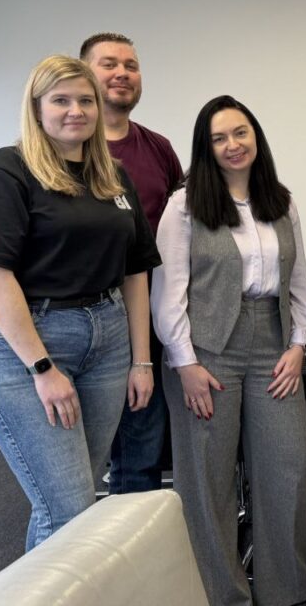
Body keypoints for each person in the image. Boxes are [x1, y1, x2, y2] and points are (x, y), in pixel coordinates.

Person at [0, 55, 159, 550]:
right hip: (30, 343)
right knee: (68, 508)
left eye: (86, 100)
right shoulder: (6, 171)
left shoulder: (112, 176)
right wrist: (42, 367)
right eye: (61, 100)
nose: (76, 110)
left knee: (69, 502)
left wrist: (141, 361)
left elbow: (136, 270)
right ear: (36, 107)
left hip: (108, 338)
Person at [152, 95, 306, 606]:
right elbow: (168, 293)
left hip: (273, 343)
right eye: (219, 138)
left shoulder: (281, 201)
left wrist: (299, 344)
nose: (232, 144)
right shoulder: (184, 206)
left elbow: (297, 281)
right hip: (206, 350)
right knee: (207, 478)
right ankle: (221, 594)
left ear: (256, 137)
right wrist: (184, 363)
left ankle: (288, 586)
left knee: (290, 463)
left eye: (240, 132)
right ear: (205, 148)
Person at [81, 31, 183, 494]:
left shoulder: (158, 148)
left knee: (143, 437)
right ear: (84, 73)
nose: (122, 73)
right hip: (82, 317)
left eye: (131, 65)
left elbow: (182, 226)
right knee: (74, 453)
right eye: (109, 64)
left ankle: (132, 521)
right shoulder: (61, 149)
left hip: (148, 313)